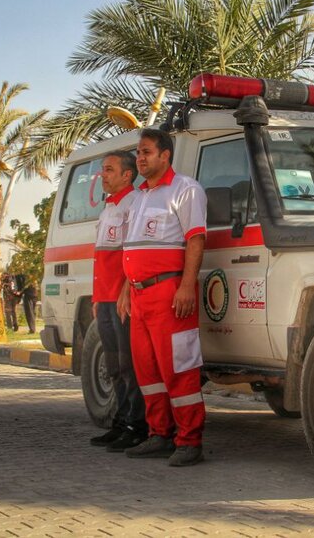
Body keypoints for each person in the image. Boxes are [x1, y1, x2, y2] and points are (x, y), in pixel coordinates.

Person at [119, 129, 207, 467]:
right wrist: (128, 287)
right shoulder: (140, 195)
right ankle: (159, 434)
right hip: (139, 297)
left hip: (170, 293)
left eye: (146, 152)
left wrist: (187, 286)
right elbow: (134, 248)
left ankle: (189, 441)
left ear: (165, 155)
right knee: (148, 371)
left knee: (179, 369)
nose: (140, 158)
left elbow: (195, 240)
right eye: (138, 153)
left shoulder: (185, 189)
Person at [89, 150, 148, 453]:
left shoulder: (134, 203)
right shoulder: (107, 208)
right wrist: (97, 298)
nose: (103, 175)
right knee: (113, 365)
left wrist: (125, 290)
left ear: (127, 174)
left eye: (109, 170)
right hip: (105, 299)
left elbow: (133, 252)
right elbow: (101, 258)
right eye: (102, 170)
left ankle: (136, 426)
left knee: (129, 364)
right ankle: (119, 421)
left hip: (123, 299)